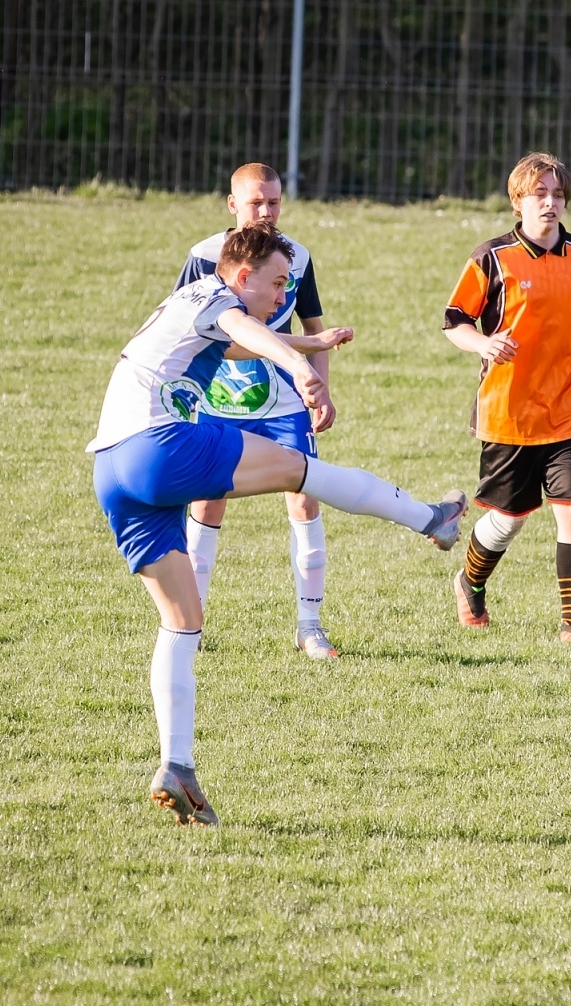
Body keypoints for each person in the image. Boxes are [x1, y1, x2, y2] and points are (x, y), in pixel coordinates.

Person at [89, 223, 466, 825]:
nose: (282, 293)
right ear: (242, 276)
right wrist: (299, 364)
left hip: (112, 468)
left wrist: (313, 346)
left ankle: (176, 764)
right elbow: (245, 331)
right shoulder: (220, 298)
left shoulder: (190, 304)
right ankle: (432, 520)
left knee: (182, 622)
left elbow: (236, 344)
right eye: (276, 282)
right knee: (302, 471)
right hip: (158, 444)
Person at [176, 163, 343, 660]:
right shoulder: (204, 257)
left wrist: (322, 391)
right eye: (256, 203)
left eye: (273, 202)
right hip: (213, 400)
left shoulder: (297, 256)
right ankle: (191, 623)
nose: (266, 212)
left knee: (305, 497)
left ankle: (310, 627)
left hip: (283, 403)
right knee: (206, 505)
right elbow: (180, 329)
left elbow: (314, 330)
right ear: (232, 205)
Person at [441, 152, 571, 647]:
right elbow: (454, 322)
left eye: (557, 195)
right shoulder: (491, 258)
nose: (551, 204)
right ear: (518, 202)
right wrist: (483, 343)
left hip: (570, 406)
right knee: (510, 517)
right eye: (540, 194)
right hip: (508, 410)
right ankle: (469, 582)